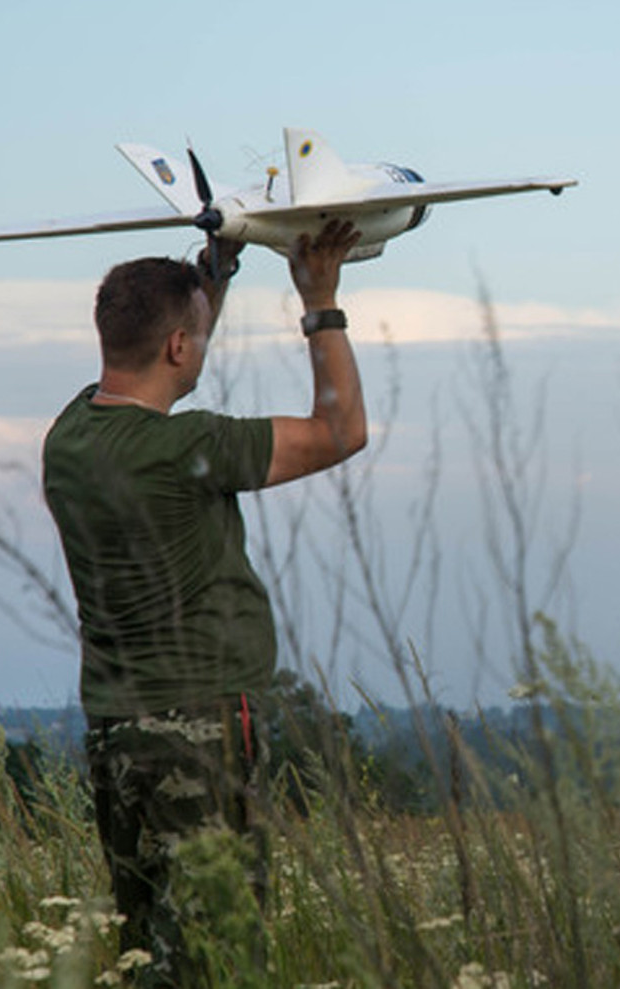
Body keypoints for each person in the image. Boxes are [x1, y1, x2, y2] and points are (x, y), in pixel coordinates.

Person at [41, 220, 367, 987]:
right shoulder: (191, 448)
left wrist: (210, 273)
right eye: (196, 334)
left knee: (147, 953)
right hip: (202, 730)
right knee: (218, 957)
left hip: (115, 734)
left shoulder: (69, 436)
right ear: (181, 348)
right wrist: (321, 301)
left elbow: (162, 347)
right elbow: (341, 430)